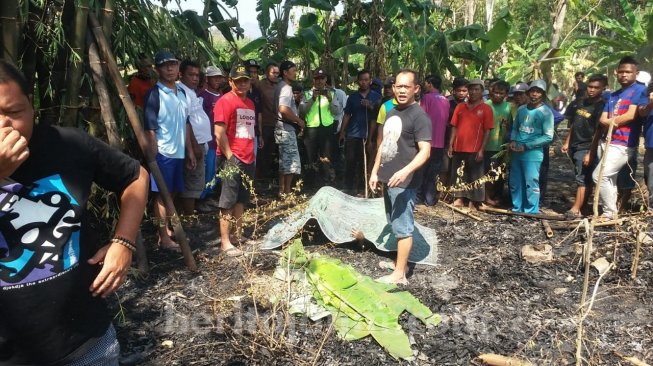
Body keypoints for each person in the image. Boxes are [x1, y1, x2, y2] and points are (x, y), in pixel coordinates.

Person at [0, 60, 149, 365]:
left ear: (32, 104)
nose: (3, 127)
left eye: (14, 112)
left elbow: (135, 177)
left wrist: (124, 242)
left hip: (86, 343)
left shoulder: (67, 145)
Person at [369, 69, 431, 285]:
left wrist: (405, 171)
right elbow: (384, 144)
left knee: (403, 226)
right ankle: (400, 264)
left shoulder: (419, 116)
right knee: (393, 221)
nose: (402, 90)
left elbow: (425, 151)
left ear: (416, 89)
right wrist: (375, 171)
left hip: (405, 182)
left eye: (407, 86)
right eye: (399, 86)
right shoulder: (392, 111)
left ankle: (399, 275)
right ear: (393, 88)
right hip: (388, 179)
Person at [144, 51, 191, 251]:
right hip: (163, 152)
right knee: (162, 196)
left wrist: (189, 150)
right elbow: (150, 128)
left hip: (178, 152)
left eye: (173, 64)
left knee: (170, 194)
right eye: (165, 65)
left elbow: (186, 122)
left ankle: (164, 231)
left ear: (178, 66)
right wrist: (153, 156)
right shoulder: (154, 94)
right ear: (158, 69)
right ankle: (164, 237)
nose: (170, 68)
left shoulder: (182, 92)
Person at [593, 56, 649, 220]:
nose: (624, 75)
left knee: (599, 176)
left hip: (623, 143)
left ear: (636, 73)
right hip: (606, 140)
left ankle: (610, 213)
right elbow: (603, 118)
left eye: (628, 72)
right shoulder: (613, 95)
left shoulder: (640, 90)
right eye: (621, 71)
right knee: (609, 179)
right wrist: (610, 123)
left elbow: (630, 116)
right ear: (616, 73)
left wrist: (610, 123)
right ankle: (610, 212)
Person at [213, 65, 257, 257]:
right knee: (227, 200)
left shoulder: (251, 104)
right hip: (232, 157)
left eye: (245, 80)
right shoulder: (225, 101)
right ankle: (225, 242)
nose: (242, 84)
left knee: (242, 199)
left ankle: (239, 235)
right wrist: (230, 156)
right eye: (238, 80)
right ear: (230, 82)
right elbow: (219, 133)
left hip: (249, 157)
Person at [561, 74, 607, 218]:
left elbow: (598, 131)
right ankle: (583, 206)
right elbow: (575, 123)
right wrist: (567, 142)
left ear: (603, 88)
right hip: (574, 144)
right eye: (590, 86)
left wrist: (590, 152)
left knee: (582, 178)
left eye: (596, 88)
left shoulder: (602, 106)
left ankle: (575, 208)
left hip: (586, 146)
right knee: (580, 175)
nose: (592, 90)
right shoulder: (581, 102)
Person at [448, 79, 494, 210]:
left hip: (475, 148)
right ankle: (458, 198)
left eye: (477, 89)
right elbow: (454, 127)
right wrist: (451, 144)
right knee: (458, 173)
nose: (473, 92)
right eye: (471, 89)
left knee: (476, 175)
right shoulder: (460, 107)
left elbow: (487, 131)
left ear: (481, 91)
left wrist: (482, 149)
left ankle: (474, 200)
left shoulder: (486, 109)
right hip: (459, 147)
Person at [509, 80, 554, 213]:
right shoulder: (522, 109)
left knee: (531, 181)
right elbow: (516, 128)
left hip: (533, 153)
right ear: (528, 93)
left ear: (543, 94)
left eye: (538, 92)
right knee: (516, 181)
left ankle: (531, 210)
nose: (535, 94)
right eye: (532, 91)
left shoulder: (546, 112)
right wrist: (512, 140)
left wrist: (528, 146)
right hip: (517, 150)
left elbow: (548, 136)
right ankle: (517, 208)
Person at [178, 60, 213, 217]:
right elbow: (185, 122)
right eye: (191, 75)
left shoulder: (190, 91)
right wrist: (193, 147)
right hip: (194, 143)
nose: (195, 78)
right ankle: (188, 216)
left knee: (196, 180)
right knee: (191, 182)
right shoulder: (181, 91)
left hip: (200, 142)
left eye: (197, 75)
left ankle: (188, 214)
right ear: (181, 74)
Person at [339, 69, 382, 195]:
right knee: (350, 162)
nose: (363, 82)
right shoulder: (352, 97)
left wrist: (371, 106)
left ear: (370, 81)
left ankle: (364, 189)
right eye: (361, 80)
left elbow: (379, 116)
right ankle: (348, 188)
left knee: (366, 163)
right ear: (358, 81)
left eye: (366, 80)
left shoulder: (376, 97)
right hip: (353, 134)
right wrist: (342, 132)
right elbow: (347, 115)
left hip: (369, 136)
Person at [299, 67, 343, 188]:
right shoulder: (307, 93)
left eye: (322, 78)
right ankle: (311, 183)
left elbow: (337, 111)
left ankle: (326, 182)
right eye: (317, 79)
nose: (319, 81)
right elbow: (302, 112)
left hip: (327, 128)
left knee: (326, 157)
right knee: (310, 157)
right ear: (313, 80)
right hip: (311, 128)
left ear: (325, 79)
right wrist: (312, 98)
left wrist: (329, 98)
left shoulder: (332, 93)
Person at [417, 74, 449, 206]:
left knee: (421, 170)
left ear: (430, 83)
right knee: (433, 172)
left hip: (426, 141)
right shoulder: (445, 100)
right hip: (439, 142)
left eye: (426, 83)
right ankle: (429, 199)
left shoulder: (426, 98)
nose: (424, 85)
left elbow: (421, 117)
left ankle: (418, 198)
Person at [274, 61, 305, 197]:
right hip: (286, 129)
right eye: (293, 70)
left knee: (284, 161)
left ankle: (283, 191)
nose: (295, 73)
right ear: (285, 73)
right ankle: (286, 192)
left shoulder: (279, 86)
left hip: (281, 127)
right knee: (290, 163)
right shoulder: (286, 88)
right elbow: (283, 109)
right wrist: (298, 120)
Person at [198, 65, 226, 201]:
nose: (217, 80)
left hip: (220, 140)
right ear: (207, 79)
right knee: (208, 170)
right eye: (214, 77)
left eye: (219, 77)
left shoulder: (222, 96)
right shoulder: (203, 97)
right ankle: (203, 198)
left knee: (216, 171)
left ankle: (211, 196)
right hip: (209, 141)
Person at [484, 80, 512, 206]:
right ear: (491, 92)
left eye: (501, 93)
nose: (498, 95)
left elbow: (511, 125)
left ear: (506, 94)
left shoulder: (508, 107)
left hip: (502, 145)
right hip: (487, 145)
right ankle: (486, 197)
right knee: (489, 172)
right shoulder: (486, 105)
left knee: (500, 174)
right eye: (495, 92)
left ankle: (497, 196)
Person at [440, 77, 468, 188]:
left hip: (463, 142)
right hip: (446, 139)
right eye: (459, 90)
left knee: (458, 168)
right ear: (453, 90)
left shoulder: (469, 105)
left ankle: (453, 191)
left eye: (464, 91)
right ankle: (441, 190)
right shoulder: (446, 103)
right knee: (445, 167)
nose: (461, 93)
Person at [256, 62, 280, 182]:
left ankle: (266, 175)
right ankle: (259, 176)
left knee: (272, 151)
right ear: (266, 73)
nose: (276, 75)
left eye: (277, 73)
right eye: (273, 72)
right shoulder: (260, 85)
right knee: (262, 151)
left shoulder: (280, 86)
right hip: (265, 123)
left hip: (277, 123)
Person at [640, 80, 653, 211]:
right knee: (651, 176)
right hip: (651, 144)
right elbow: (642, 112)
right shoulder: (646, 94)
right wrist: (651, 103)